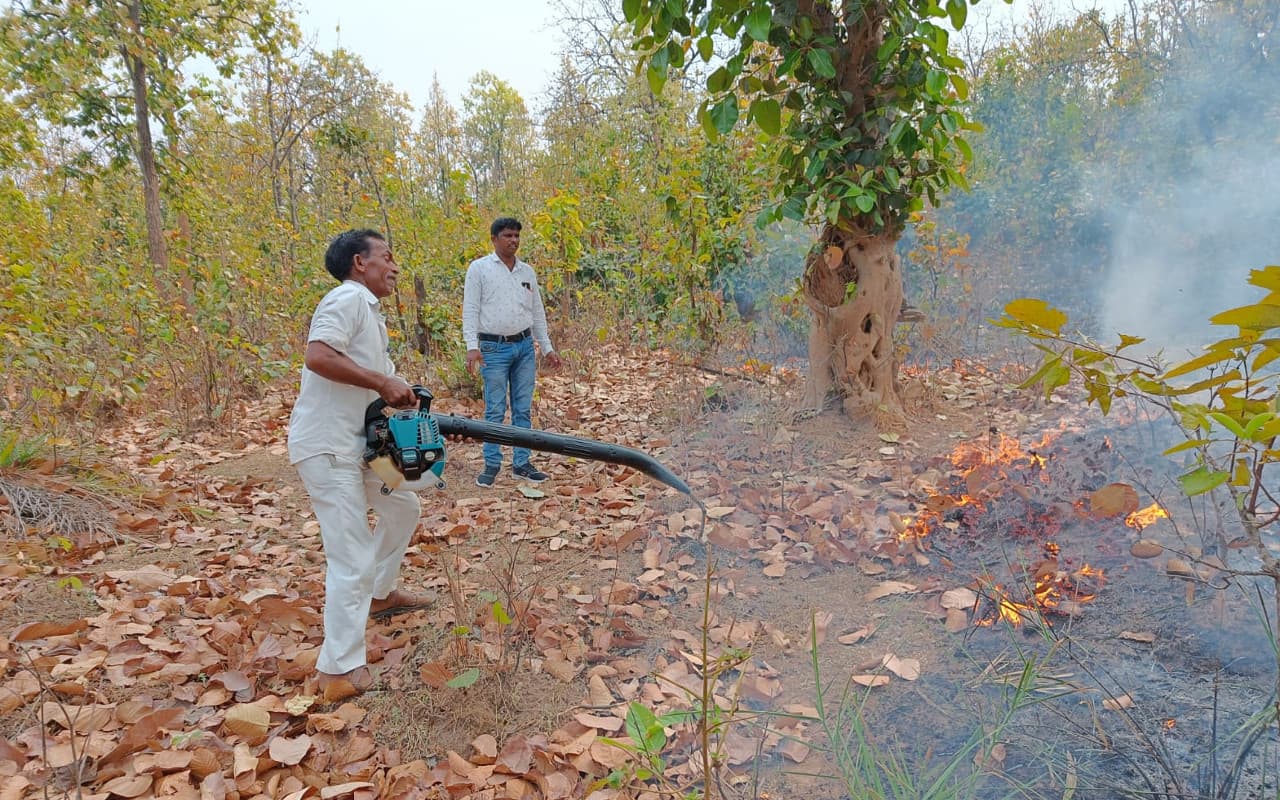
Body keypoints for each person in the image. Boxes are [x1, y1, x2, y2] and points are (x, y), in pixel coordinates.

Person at [287, 229, 433, 694]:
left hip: (360, 446)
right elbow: (318, 356)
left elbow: (380, 383)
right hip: (328, 446)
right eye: (386, 257)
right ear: (359, 263)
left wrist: (402, 393)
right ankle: (339, 668)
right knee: (351, 556)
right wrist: (380, 382)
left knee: (404, 507)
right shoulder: (347, 299)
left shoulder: (369, 314)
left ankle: (381, 595)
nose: (394, 267)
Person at [462, 217, 562, 488]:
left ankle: (522, 463)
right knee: (495, 409)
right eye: (507, 235)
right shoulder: (479, 269)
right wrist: (472, 346)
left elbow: (537, 312)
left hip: (524, 347)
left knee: (522, 408)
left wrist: (547, 348)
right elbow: (470, 309)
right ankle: (491, 464)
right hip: (493, 348)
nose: (513, 240)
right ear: (494, 239)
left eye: (516, 235)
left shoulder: (526, 272)